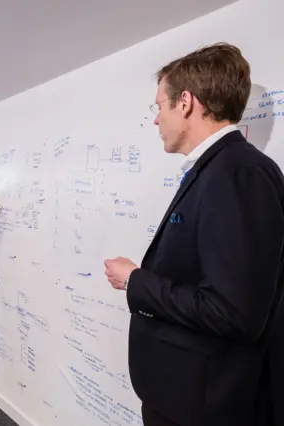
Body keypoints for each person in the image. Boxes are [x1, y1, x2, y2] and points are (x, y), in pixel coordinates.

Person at [104, 43, 284, 426]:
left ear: (185, 102)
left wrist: (136, 280)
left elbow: (233, 312)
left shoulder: (237, 173)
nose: (156, 120)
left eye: (159, 106)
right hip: (187, 395)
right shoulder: (221, 169)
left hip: (203, 405)